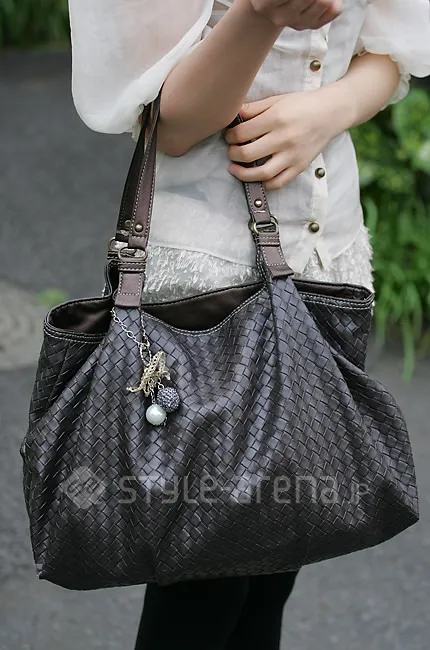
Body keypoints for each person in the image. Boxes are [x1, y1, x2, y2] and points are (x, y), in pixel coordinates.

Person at [67, 1, 430, 648]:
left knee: (276, 567)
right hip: (208, 281)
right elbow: (172, 125)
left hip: (328, 258)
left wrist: (328, 110)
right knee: (202, 592)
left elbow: (392, 51)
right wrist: (263, 15)